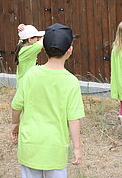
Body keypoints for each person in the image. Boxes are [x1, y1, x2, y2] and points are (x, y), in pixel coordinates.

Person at [11, 23, 85, 178]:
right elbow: (74, 119)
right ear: (69, 51)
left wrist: (15, 123)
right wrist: (77, 147)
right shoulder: (71, 82)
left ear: (43, 49)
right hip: (55, 149)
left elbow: (16, 105)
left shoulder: (31, 74)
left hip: (29, 146)